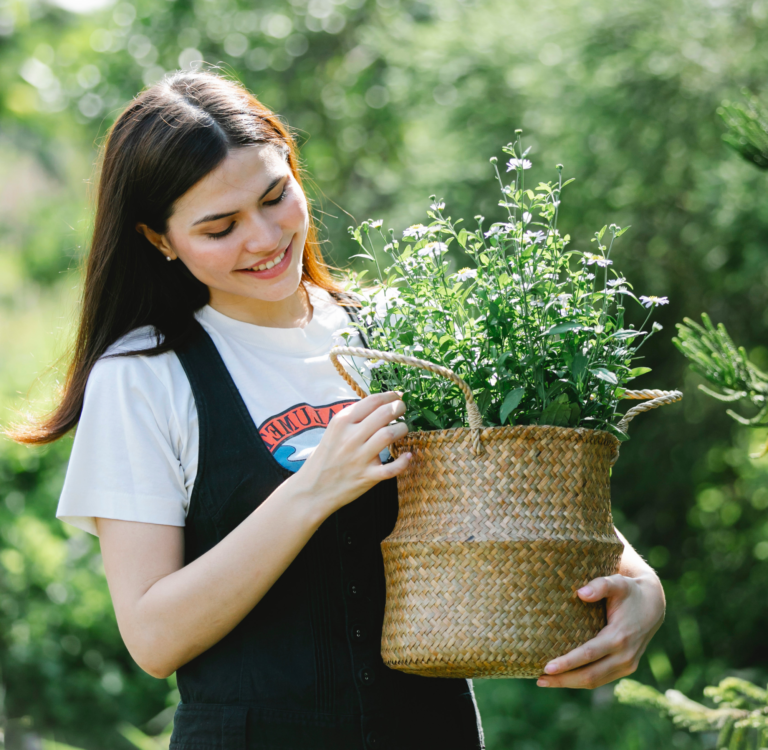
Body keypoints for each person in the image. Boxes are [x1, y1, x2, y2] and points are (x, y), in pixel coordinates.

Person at [9, 70, 666, 750]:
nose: (264, 237)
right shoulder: (144, 375)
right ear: (160, 240)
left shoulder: (397, 330)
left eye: (274, 196)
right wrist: (311, 492)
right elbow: (153, 637)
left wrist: (643, 588)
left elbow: (527, 491)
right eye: (220, 226)